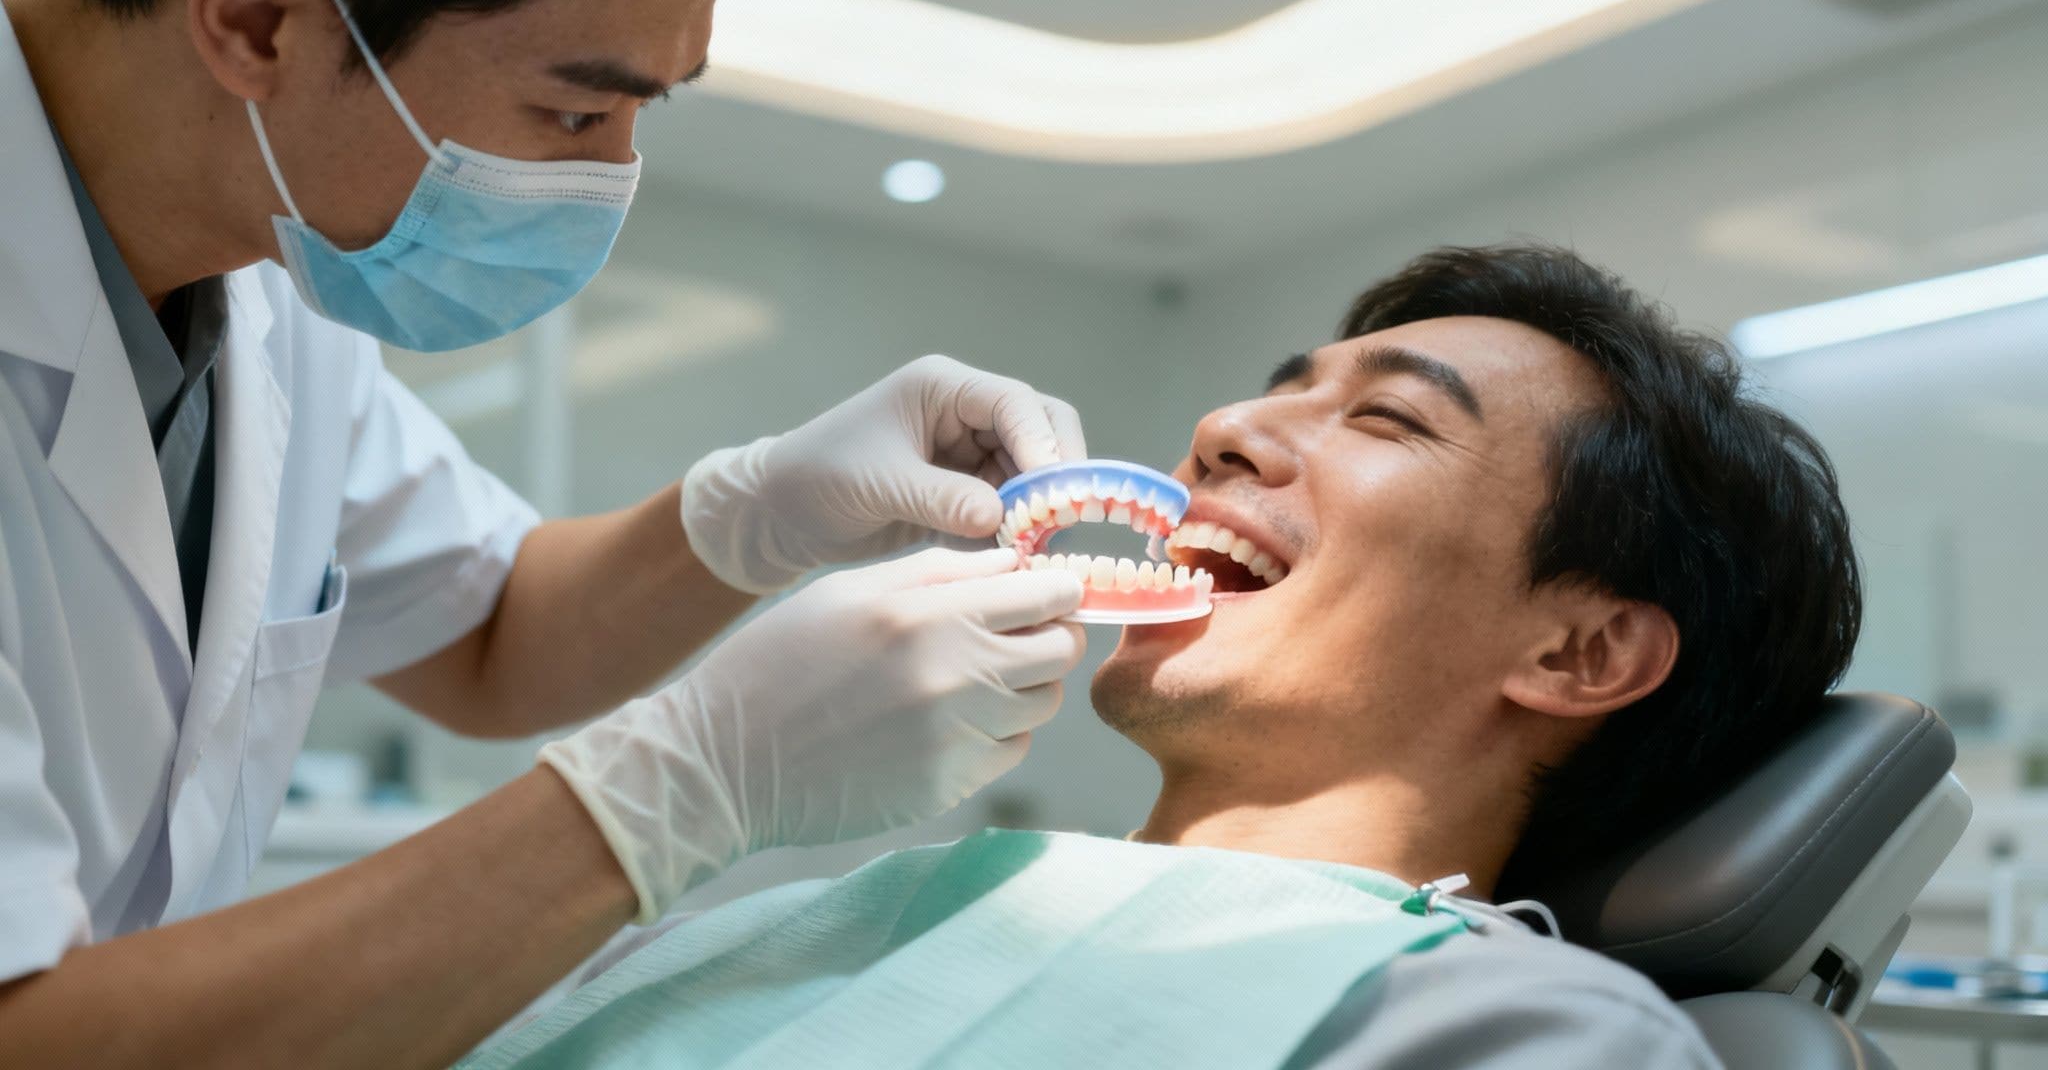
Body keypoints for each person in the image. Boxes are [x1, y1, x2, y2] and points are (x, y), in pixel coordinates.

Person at [0, 0, 1101, 1066]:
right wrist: (676, 792)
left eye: (638, 117)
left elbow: (489, 632)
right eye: (575, 114)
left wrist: (755, 512)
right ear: (256, 15)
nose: (604, 185)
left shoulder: (268, 280)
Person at [457, 245, 1863, 1070]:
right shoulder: (832, 911)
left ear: (1581, 649)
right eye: (1275, 389)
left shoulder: (1524, 1033)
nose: (1222, 432)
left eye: (1388, 422)